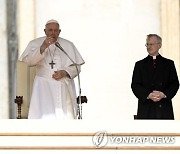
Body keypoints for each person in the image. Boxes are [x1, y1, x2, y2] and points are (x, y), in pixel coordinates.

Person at [19, 19, 85, 119]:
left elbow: (77, 67)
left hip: (63, 85)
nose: (53, 33)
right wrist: (43, 47)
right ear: (45, 31)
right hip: (43, 86)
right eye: (50, 30)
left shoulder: (68, 45)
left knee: (65, 117)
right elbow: (29, 60)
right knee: (43, 117)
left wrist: (65, 72)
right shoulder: (35, 43)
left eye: (55, 30)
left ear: (59, 31)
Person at [131, 34, 179, 119]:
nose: (149, 47)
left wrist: (163, 94)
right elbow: (135, 85)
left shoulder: (168, 64)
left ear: (159, 45)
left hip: (164, 108)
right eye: (147, 44)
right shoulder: (140, 65)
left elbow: (174, 84)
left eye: (151, 44)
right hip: (146, 108)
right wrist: (148, 95)